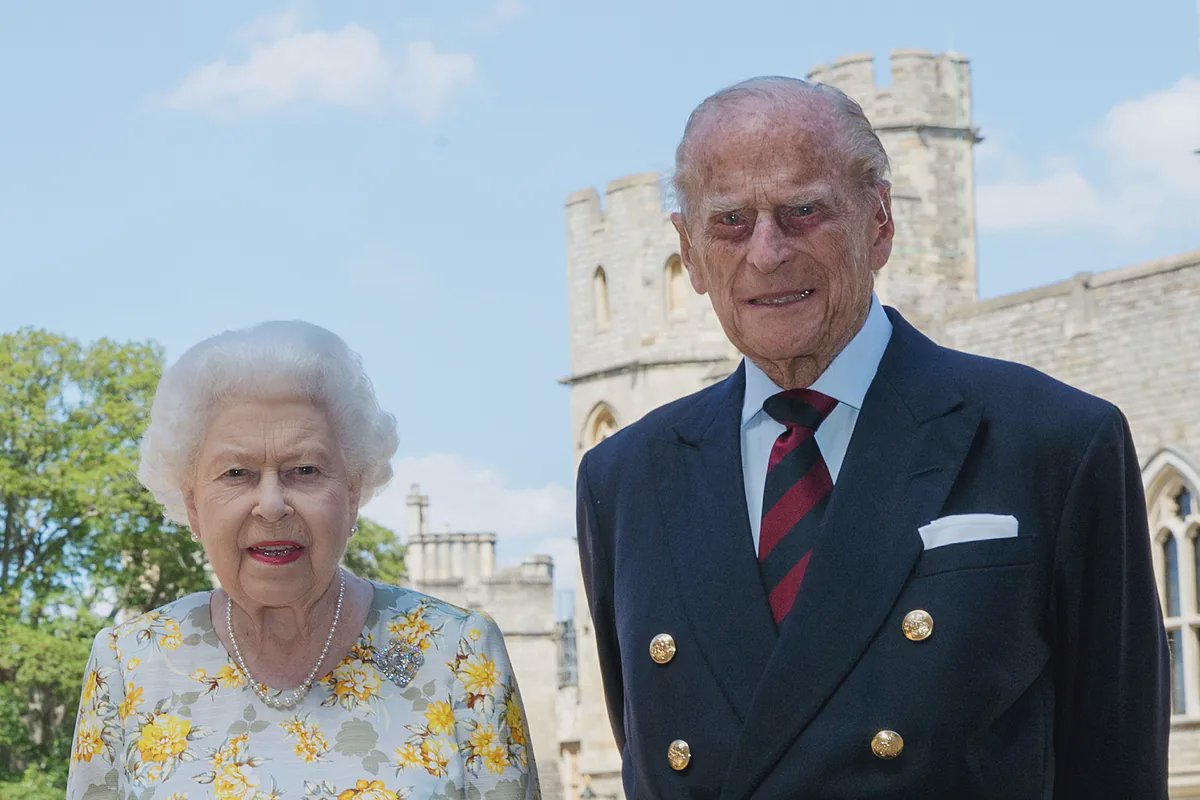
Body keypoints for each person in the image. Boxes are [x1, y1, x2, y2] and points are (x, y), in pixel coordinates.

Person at [575, 77, 1169, 799]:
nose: (767, 252)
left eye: (803, 210)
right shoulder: (624, 480)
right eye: (730, 221)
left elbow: (1115, 769)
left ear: (880, 222)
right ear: (689, 253)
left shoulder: (1055, 443)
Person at [67, 321, 539, 799]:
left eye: (305, 470)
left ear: (352, 493)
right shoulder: (127, 664)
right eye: (237, 473)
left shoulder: (458, 653)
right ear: (192, 504)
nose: (272, 504)